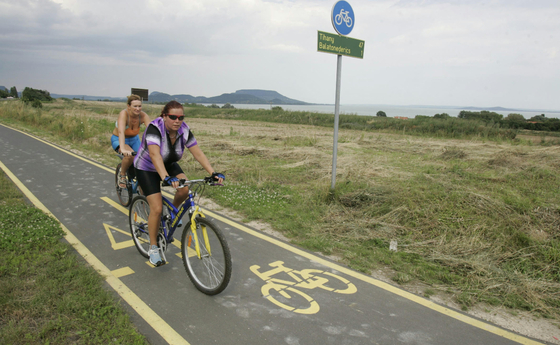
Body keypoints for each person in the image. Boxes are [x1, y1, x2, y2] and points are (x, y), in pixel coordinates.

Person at [133, 101, 224, 266]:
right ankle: (153, 247)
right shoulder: (154, 128)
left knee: (184, 190)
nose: (177, 120)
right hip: (147, 167)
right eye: (173, 117)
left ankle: (171, 215)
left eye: (181, 117)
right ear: (164, 116)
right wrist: (166, 177)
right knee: (157, 208)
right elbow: (154, 155)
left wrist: (212, 173)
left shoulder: (184, 130)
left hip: (168, 163)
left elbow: (198, 153)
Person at [111, 94, 151, 188]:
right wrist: (123, 149)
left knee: (144, 158)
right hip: (119, 139)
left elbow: (151, 131)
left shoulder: (143, 116)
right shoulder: (124, 114)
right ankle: (122, 174)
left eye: (139, 106)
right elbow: (121, 132)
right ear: (129, 106)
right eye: (135, 106)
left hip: (134, 140)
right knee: (129, 155)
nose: (138, 109)